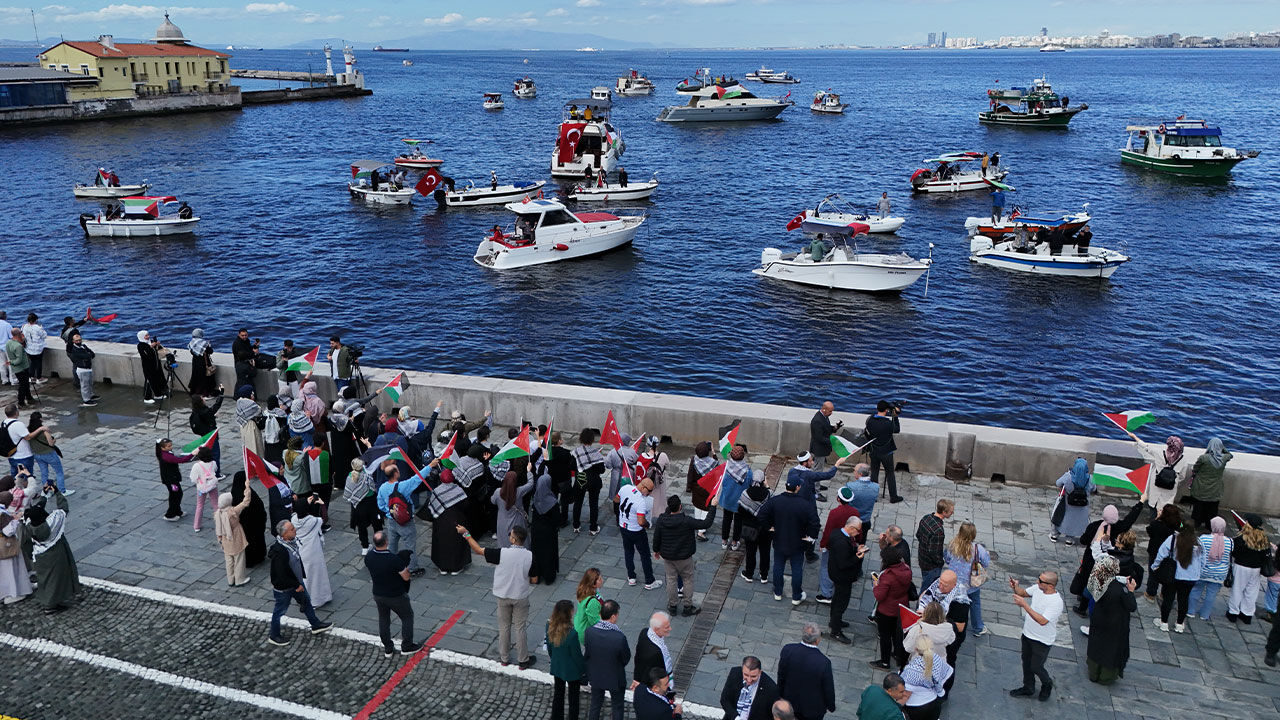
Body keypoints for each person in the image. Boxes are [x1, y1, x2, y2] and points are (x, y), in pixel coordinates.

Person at [458, 522, 536, 667]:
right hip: (520, 596)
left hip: (503, 595)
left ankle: (504, 658)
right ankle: (523, 660)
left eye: (510, 535)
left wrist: (466, 533)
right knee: (520, 628)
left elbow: (478, 550)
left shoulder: (502, 553)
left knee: (504, 626)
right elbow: (534, 579)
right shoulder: (530, 556)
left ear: (513, 539)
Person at [266, 519, 333, 645]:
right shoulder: (280, 552)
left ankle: (316, 624)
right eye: (292, 529)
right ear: (284, 535)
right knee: (279, 611)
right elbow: (282, 574)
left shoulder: (291, 543)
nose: (295, 530)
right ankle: (274, 635)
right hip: (286, 587)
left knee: (306, 602)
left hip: (296, 583)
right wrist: (296, 585)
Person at [1068, 501, 1142, 617]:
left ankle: (1083, 607)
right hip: (1108, 568)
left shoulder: (1095, 526)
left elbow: (1087, 543)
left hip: (1092, 560)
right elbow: (1130, 519)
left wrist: (1098, 539)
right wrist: (1140, 503)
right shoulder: (1121, 530)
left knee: (1089, 580)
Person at [757, 473, 820, 605]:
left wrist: (769, 527)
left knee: (778, 566)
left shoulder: (775, 501)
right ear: (798, 487)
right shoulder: (805, 504)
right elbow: (815, 522)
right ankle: (796, 596)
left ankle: (778, 592)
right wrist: (811, 536)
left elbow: (761, 514)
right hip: (798, 542)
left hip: (780, 540)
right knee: (797, 569)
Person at [653, 494, 717, 616]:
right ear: (680, 506)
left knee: (671, 580)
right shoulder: (687, 521)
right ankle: (687, 606)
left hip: (668, 557)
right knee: (687, 580)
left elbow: (657, 537)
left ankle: (672, 605)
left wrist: (656, 550)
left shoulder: (662, 520)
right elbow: (706, 523)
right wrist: (713, 507)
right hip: (684, 557)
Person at [1007, 571, 1064, 701]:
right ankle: (1028, 687)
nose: (1037, 582)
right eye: (1039, 579)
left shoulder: (1056, 602)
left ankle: (1047, 683)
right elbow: (1023, 593)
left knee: (1036, 666)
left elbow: (1043, 621)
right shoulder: (1038, 589)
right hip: (1028, 634)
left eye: (1041, 581)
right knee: (1026, 663)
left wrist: (1025, 606)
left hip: (1042, 640)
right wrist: (1015, 587)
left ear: (1050, 585)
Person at [364, 530, 421, 657]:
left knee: (384, 619)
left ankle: (388, 648)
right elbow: (406, 577)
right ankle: (407, 646)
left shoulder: (369, 557)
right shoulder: (393, 559)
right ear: (386, 542)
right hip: (396, 595)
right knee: (407, 617)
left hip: (378, 594)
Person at [25, 487, 80, 614]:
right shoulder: (52, 524)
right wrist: (57, 493)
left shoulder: (29, 526)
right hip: (55, 554)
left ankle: (47, 600)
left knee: (45, 579)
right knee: (56, 579)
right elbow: (63, 509)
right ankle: (50, 605)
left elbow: (35, 510)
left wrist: (44, 496)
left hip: (39, 556)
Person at [1085, 555, 1138, 684]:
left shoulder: (1096, 581)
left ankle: (1094, 672)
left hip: (1098, 620)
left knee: (1096, 645)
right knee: (1110, 650)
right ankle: (1105, 676)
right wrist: (1130, 591)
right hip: (1114, 624)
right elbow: (1131, 606)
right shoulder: (1118, 590)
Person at [377, 462, 435, 576]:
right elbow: (417, 478)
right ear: (395, 474)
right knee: (410, 545)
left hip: (392, 520)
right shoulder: (403, 486)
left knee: (392, 544)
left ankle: (391, 564)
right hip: (405, 522)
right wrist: (430, 466)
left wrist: (390, 513)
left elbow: (380, 504)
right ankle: (412, 568)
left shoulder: (382, 487)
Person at [915, 569, 969, 690]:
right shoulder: (936, 584)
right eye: (940, 582)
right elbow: (925, 594)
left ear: (954, 585)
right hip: (935, 630)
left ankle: (944, 689)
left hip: (951, 637)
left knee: (948, 662)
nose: (940, 586)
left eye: (945, 585)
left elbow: (960, 627)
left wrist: (935, 617)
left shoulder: (960, 602)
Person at [777, 623, 835, 720]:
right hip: (812, 709)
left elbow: (781, 675)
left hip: (790, 703)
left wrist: (779, 695)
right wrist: (831, 706)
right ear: (818, 640)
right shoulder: (823, 662)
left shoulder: (788, 650)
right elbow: (828, 688)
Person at [1150, 521, 1201, 631]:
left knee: (1168, 598)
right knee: (1184, 600)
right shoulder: (1198, 543)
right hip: (1190, 577)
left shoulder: (1173, 539)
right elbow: (1203, 560)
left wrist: (1155, 566)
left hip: (1173, 575)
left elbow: (1161, 553)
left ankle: (1164, 622)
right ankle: (1179, 624)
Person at [584, 599, 630, 720]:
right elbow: (625, 658)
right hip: (615, 677)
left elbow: (587, 654)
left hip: (596, 676)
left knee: (595, 704)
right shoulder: (619, 637)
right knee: (617, 707)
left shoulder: (589, 632)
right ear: (613, 616)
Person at [1126, 430, 1188, 520]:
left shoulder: (1160, 453)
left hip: (1155, 490)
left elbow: (1146, 447)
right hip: (1169, 493)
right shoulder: (1183, 461)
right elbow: (1182, 477)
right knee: (1166, 514)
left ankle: (1153, 525)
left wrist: (1134, 437)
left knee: (1153, 511)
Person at [943, 520, 991, 636]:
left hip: (953, 583)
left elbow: (947, 559)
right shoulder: (978, 549)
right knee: (975, 604)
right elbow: (985, 563)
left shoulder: (952, 545)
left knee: (949, 603)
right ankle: (978, 628)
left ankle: (946, 624)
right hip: (971, 584)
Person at [817, 487, 861, 606]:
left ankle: (826, 594)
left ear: (838, 499)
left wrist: (823, 544)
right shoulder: (855, 512)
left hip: (833, 545)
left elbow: (828, 530)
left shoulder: (834, 513)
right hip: (847, 544)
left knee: (826, 567)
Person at [870, 545, 912, 670]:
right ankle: (898, 656)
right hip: (901, 607)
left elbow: (879, 595)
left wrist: (876, 584)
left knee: (885, 636)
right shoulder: (906, 570)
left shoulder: (888, 577)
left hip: (886, 610)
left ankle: (884, 662)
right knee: (897, 634)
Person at [827, 514, 866, 643]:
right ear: (851, 527)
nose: (858, 533)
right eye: (857, 530)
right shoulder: (842, 543)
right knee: (841, 603)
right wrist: (857, 557)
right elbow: (844, 564)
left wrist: (855, 549)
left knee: (837, 599)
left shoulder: (836, 533)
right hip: (842, 576)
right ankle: (836, 631)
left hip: (835, 572)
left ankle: (834, 621)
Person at [618, 476, 662, 589]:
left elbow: (616, 499)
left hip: (623, 526)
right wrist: (648, 525)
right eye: (649, 491)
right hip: (636, 530)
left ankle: (631, 577)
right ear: (643, 487)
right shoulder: (640, 502)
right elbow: (641, 521)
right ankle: (649, 580)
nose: (650, 494)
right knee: (645, 555)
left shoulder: (625, 488)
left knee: (628, 551)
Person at [1226, 513, 1271, 624]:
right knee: (1251, 592)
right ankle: (1247, 614)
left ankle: (1233, 612)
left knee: (1237, 589)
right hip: (1256, 569)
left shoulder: (1241, 538)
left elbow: (1234, 552)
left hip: (1241, 566)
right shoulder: (1264, 538)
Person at [548, 598, 587, 720]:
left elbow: (550, 649)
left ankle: (556, 717)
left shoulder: (549, 627)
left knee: (558, 694)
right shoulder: (572, 634)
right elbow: (577, 656)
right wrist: (583, 669)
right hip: (572, 671)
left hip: (557, 666)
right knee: (573, 697)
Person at [1189, 516, 1233, 620]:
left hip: (1203, 571)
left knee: (1195, 591)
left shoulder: (1203, 538)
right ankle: (1205, 614)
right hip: (1219, 574)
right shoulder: (1230, 542)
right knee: (1211, 595)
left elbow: (1197, 552)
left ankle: (1190, 611)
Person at [292, 496, 332, 607]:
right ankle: (319, 599)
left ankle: (307, 599)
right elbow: (324, 518)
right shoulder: (314, 521)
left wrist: (306, 502)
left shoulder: (293, 520)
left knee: (306, 578)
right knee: (317, 576)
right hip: (314, 552)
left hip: (301, 552)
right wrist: (322, 504)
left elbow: (296, 510)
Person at [900, 634, 951, 719]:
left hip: (917, 707)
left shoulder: (911, 669)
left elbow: (905, 690)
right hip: (935, 703)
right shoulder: (938, 659)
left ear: (916, 649)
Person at [528, 459, 560, 584]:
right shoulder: (552, 502)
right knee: (549, 554)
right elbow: (557, 519)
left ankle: (537, 574)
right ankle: (548, 577)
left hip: (536, 530)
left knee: (536, 553)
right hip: (549, 532)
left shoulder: (536, 498)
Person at [1189, 439, 1232, 531]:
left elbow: (1195, 468)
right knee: (1212, 509)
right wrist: (1222, 448)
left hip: (1201, 487)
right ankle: (1210, 526)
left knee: (1198, 507)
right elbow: (1230, 455)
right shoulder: (1224, 458)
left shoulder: (1203, 458)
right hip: (1215, 489)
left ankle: (1197, 523)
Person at [720, 655, 779, 720]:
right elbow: (724, 700)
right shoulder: (735, 673)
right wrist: (736, 718)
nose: (749, 680)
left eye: (753, 676)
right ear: (742, 669)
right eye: (746, 675)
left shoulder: (771, 688)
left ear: (760, 672)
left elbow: (771, 716)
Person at [570, 428, 607, 534]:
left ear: (581, 439)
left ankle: (576, 526)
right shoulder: (596, 453)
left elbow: (572, 466)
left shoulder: (576, 452)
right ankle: (593, 528)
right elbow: (602, 469)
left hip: (580, 479)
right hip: (593, 481)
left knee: (578, 502)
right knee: (593, 504)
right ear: (592, 439)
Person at [865, 401, 902, 503]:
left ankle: (873, 496)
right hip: (887, 452)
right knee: (890, 473)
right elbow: (897, 429)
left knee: (874, 472)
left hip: (874, 450)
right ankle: (893, 496)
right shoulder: (888, 424)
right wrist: (895, 416)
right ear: (887, 410)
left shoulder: (870, 420)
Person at [492, 458, 534, 548]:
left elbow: (492, 501)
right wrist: (528, 471)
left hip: (502, 520)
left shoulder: (498, 492)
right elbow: (530, 483)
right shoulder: (519, 491)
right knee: (520, 538)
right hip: (517, 520)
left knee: (503, 539)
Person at [738, 473, 773, 583]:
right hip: (765, 530)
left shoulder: (745, 494)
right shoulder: (769, 494)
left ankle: (749, 574)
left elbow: (740, 511)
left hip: (750, 528)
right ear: (763, 481)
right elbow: (774, 508)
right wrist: (767, 487)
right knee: (765, 553)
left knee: (750, 552)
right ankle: (764, 576)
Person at [1050, 458, 1094, 544]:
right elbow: (1094, 488)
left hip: (1067, 503)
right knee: (1075, 520)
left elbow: (1058, 483)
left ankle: (1054, 535)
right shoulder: (1090, 479)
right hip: (1082, 506)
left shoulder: (1068, 477)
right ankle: (1069, 539)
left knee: (1060, 516)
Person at [215, 490, 253, 586]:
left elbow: (218, 529)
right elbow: (246, 502)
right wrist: (247, 489)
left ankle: (230, 580)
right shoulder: (232, 512)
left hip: (225, 540)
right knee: (239, 559)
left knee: (229, 561)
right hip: (236, 537)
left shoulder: (218, 513)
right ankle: (240, 579)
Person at [230, 471, 268, 567]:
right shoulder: (248, 494)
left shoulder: (234, 493)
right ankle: (258, 557)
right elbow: (258, 506)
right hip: (254, 524)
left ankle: (249, 560)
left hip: (244, 526)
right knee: (255, 541)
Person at [634, 611, 676, 696]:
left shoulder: (645, 632)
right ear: (656, 629)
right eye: (666, 627)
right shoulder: (656, 653)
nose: (670, 629)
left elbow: (637, 657)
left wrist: (636, 678)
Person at [915, 499, 953, 590]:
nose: (953, 513)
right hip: (931, 566)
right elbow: (934, 553)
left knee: (926, 583)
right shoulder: (938, 531)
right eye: (951, 512)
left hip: (922, 558)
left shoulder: (926, 517)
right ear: (944, 512)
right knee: (927, 590)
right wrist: (940, 563)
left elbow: (918, 535)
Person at [155, 438, 194, 521]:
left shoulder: (163, 453)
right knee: (175, 495)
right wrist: (192, 454)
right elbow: (181, 460)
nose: (171, 447)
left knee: (176, 494)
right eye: (168, 446)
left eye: (171, 445)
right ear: (163, 448)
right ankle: (170, 514)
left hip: (171, 478)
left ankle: (177, 511)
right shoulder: (167, 456)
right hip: (171, 480)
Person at [686, 440, 718, 540]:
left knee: (697, 507)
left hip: (696, 489)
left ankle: (697, 524)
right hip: (707, 490)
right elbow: (717, 470)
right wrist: (714, 452)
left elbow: (690, 475)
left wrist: (689, 487)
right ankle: (701, 532)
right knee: (705, 509)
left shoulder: (694, 460)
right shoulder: (713, 463)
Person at [189, 390, 225, 471]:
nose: (204, 399)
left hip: (203, 434)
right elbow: (216, 406)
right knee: (215, 453)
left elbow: (205, 418)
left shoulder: (196, 410)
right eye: (202, 398)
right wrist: (221, 394)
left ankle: (207, 468)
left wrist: (213, 416)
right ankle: (216, 473)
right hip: (210, 434)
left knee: (208, 451)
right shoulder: (205, 411)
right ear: (200, 401)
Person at [189, 446, 220, 533]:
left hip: (202, 488)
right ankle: (220, 523)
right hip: (212, 486)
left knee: (200, 505)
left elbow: (193, 478)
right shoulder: (213, 463)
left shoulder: (197, 466)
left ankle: (197, 526)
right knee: (216, 505)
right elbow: (215, 470)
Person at [574, 567, 605, 648]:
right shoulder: (592, 602)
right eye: (599, 579)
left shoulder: (584, 590)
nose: (602, 580)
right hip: (586, 633)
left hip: (580, 624)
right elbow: (595, 622)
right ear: (593, 584)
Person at [808, 401, 843, 470]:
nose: (831, 413)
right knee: (818, 468)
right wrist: (833, 441)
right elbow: (819, 438)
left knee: (819, 467)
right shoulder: (817, 420)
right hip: (819, 449)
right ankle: (815, 480)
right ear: (824, 409)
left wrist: (834, 428)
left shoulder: (824, 417)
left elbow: (826, 427)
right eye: (830, 411)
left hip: (821, 448)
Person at [136, 331, 168, 404]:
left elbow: (157, 350)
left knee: (157, 380)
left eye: (148, 335)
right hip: (148, 366)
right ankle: (147, 397)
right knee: (149, 381)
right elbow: (146, 354)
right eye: (146, 336)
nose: (148, 337)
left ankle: (158, 394)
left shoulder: (151, 342)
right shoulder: (140, 345)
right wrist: (151, 346)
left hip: (156, 364)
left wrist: (158, 345)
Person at [67, 332, 97, 406]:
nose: (78, 342)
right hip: (82, 369)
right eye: (76, 340)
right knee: (85, 385)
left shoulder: (83, 346)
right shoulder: (74, 350)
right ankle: (86, 400)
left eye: (80, 340)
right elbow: (86, 356)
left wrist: (88, 355)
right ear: (73, 341)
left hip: (88, 368)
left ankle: (91, 395)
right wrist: (88, 355)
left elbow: (92, 354)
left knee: (89, 383)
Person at [5, 330, 32, 407]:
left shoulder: (8, 343)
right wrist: (12, 362)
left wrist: (11, 362)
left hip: (16, 369)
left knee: (25, 384)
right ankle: (21, 402)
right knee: (23, 385)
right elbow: (19, 360)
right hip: (22, 368)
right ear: (18, 334)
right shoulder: (18, 346)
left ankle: (29, 397)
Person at [187, 329, 217, 397]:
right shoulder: (204, 343)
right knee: (205, 378)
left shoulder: (192, 343)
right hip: (204, 362)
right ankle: (205, 394)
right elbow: (210, 351)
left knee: (196, 377)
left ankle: (195, 392)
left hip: (195, 362)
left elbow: (192, 352)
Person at [20, 314, 47, 384]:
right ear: (36, 320)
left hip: (28, 348)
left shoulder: (24, 326)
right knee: (38, 363)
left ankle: (31, 377)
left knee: (32, 362)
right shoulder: (38, 327)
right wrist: (42, 328)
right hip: (37, 348)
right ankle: (39, 378)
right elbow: (44, 336)